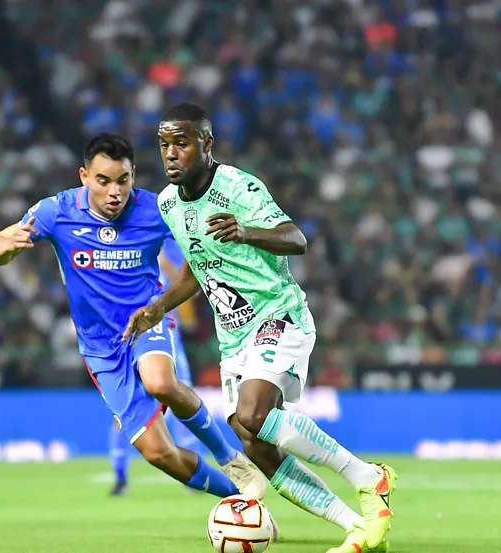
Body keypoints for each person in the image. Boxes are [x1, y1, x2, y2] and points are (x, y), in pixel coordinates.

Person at [123, 104, 397, 553]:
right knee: (254, 444)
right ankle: (357, 527)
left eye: (182, 143)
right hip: (233, 337)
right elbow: (196, 268)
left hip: (278, 315)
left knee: (253, 415)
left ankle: (369, 476)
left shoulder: (238, 187)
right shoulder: (169, 204)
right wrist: (157, 309)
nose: (171, 154)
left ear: (207, 144)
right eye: (164, 144)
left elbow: (296, 239)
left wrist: (246, 230)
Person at [0, 133, 273, 510]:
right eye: (103, 181)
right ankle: (243, 504)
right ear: (84, 176)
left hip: (146, 319)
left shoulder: (158, 209)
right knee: (160, 453)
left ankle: (229, 457)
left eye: (122, 180)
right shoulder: (57, 211)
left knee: (159, 381)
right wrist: (4, 250)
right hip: (100, 347)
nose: (114, 191)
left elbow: (202, 249)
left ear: (133, 175)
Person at [108, 237, 202, 496]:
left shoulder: (174, 247)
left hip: (168, 337)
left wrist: (163, 260)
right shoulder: (124, 246)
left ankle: (193, 476)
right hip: (129, 337)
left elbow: (189, 287)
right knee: (123, 409)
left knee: (183, 401)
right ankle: (120, 478)